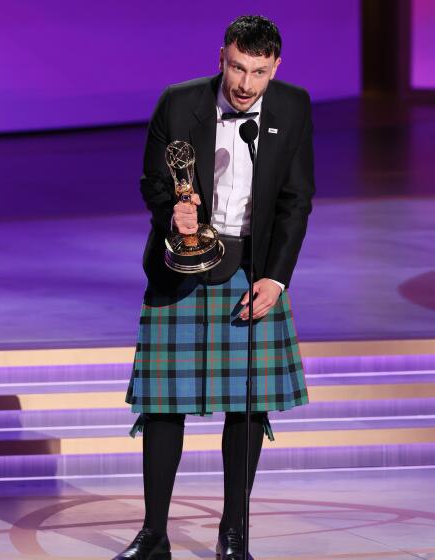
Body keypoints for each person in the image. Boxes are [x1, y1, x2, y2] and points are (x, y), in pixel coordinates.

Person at [115, 15, 315, 560]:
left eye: (258, 72)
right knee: (162, 405)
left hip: (253, 267)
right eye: (236, 67)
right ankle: (154, 535)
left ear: (275, 69)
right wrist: (170, 215)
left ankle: (234, 535)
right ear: (220, 58)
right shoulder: (179, 104)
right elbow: (153, 181)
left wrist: (276, 277)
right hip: (182, 265)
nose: (245, 84)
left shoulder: (293, 108)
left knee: (248, 406)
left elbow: (297, 200)